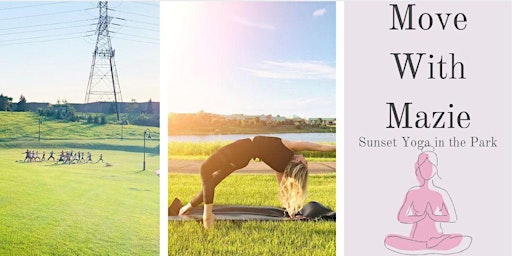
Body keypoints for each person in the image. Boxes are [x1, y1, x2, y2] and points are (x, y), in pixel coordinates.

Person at [178, 136, 336, 230]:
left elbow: (319, 146)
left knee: (205, 169)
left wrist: (338, 147)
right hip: (242, 160)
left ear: (299, 161)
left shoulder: (290, 147)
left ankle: (207, 214)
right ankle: (189, 207)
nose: (306, 160)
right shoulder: (280, 167)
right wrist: (291, 211)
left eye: (305, 163)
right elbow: (283, 191)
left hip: (240, 150)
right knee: (211, 181)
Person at [384, 148, 472, 254]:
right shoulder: (412, 192)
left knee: (464, 239)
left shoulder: (441, 193)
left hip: (438, 238)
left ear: (436, 169)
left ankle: (426, 247)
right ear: (418, 169)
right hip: (416, 239)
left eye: (430, 166)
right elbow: (401, 218)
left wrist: (433, 216)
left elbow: (452, 218)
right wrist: (419, 217)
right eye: (424, 166)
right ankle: (426, 246)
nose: (427, 169)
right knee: (389, 240)